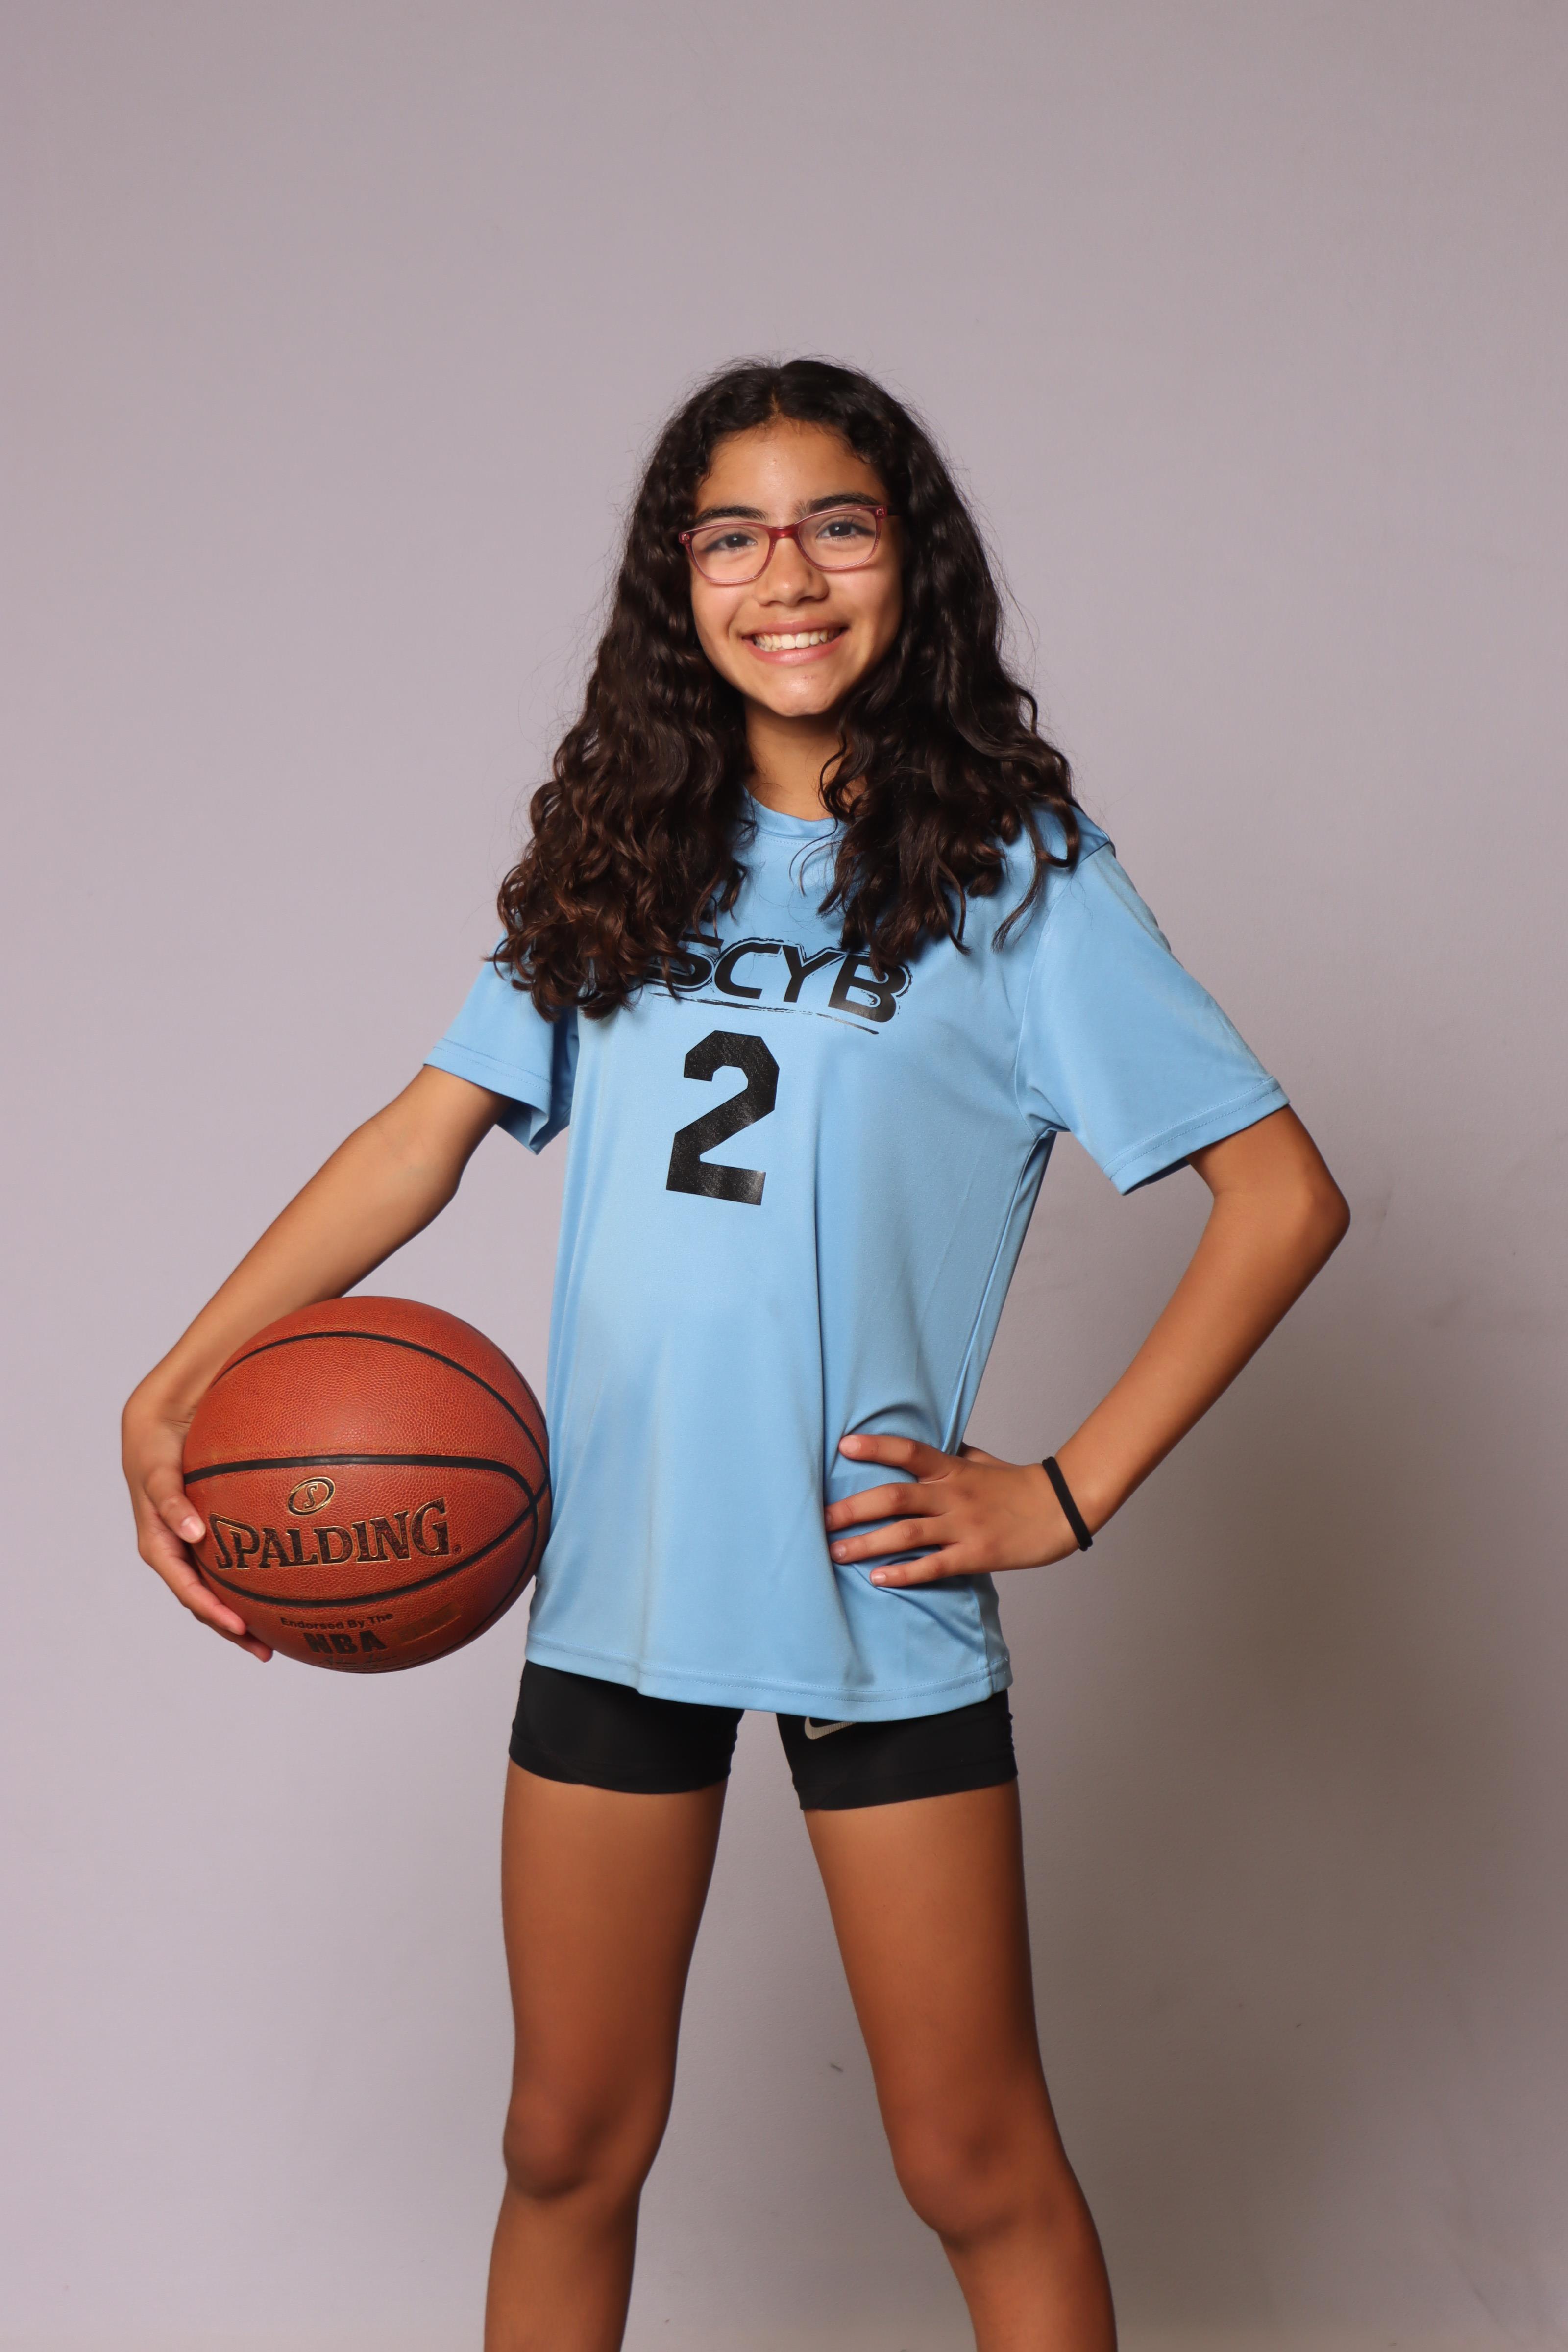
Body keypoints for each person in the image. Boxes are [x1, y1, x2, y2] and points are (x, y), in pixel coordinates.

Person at [122, 357, 1349, 2352]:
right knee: (561, 2145)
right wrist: (181, 1376)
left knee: (973, 2165)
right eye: (733, 537)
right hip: (620, 1582)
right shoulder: (630, 850)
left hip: (866, 1581)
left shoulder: (1015, 876)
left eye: (836, 526)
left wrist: (1064, 1492)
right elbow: (422, 1135)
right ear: (675, 582)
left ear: (909, 563)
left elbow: (1281, 1196)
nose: (786, 575)